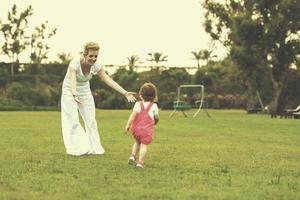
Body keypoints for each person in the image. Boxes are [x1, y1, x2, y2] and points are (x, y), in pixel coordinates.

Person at [61, 42, 136, 156]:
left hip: (85, 91)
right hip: (69, 90)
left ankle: (94, 148)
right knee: (72, 120)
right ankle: (76, 148)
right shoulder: (75, 63)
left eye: (95, 56)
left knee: (91, 120)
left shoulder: (96, 65)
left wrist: (125, 92)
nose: (93, 58)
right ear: (85, 55)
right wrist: (74, 93)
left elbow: (108, 80)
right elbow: (72, 79)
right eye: (91, 56)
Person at [125, 82, 159, 168]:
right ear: (154, 95)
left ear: (141, 94)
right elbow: (156, 117)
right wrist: (156, 121)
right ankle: (140, 162)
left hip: (136, 129)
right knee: (144, 145)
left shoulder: (137, 104)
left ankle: (132, 156)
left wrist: (128, 125)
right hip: (146, 131)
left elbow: (132, 116)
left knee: (137, 142)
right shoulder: (154, 106)